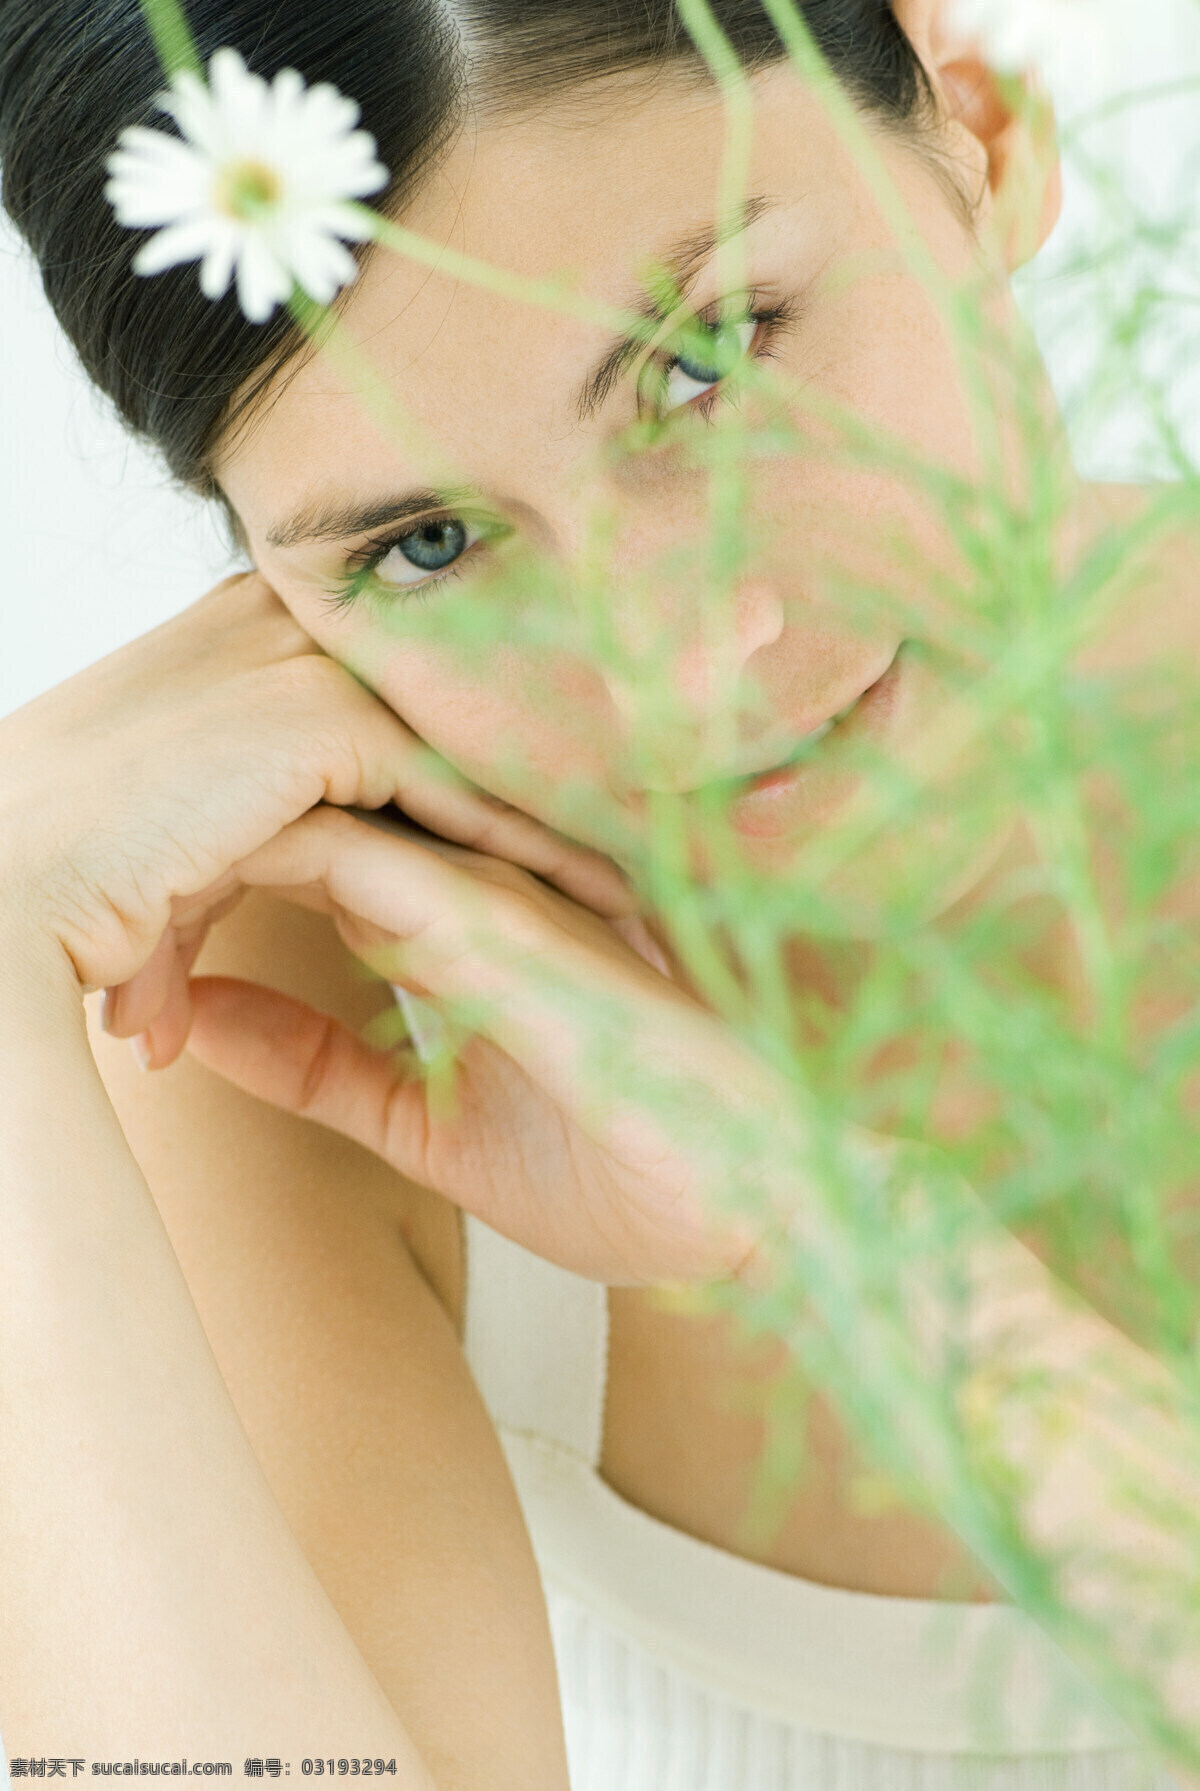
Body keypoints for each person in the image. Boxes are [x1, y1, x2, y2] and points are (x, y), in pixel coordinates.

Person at [1, 0, 1198, 1785]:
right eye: (427, 548)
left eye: (710, 360)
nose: (684, 669)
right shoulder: (292, 1031)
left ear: (977, 134)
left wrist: (847, 1246)